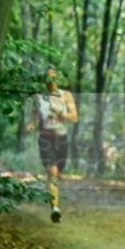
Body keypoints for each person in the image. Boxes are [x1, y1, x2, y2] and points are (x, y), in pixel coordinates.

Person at [27, 67, 78, 223]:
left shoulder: (66, 95)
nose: (51, 81)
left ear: (57, 79)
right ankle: (55, 208)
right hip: (45, 138)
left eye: (54, 77)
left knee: (58, 173)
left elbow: (74, 117)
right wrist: (31, 124)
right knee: (52, 172)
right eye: (48, 78)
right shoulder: (39, 97)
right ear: (45, 80)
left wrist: (61, 113)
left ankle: (54, 195)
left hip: (62, 139)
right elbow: (34, 116)